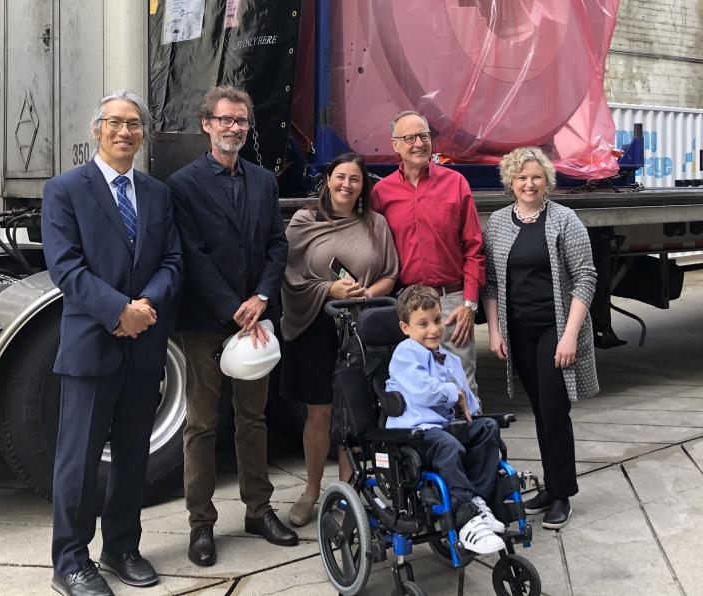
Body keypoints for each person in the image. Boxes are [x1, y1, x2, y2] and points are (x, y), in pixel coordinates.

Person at [42, 90, 183, 596]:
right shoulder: (65, 189)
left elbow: (172, 261)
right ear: (96, 129)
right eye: (115, 123)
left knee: (132, 454)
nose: (125, 132)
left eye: (134, 125)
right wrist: (117, 311)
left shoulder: (157, 193)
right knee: (78, 460)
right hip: (92, 342)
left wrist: (143, 309)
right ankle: (71, 561)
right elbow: (65, 266)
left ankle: (122, 546)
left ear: (143, 135)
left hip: (143, 344)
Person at [168, 85, 296, 567]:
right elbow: (191, 255)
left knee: (254, 419)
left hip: (255, 320)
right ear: (206, 124)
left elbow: (276, 245)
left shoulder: (264, 181)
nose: (234, 127)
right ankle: (201, 524)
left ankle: (258, 511)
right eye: (225, 120)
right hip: (207, 323)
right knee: (200, 424)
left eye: (241, 120)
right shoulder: (183, 184)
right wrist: (232, 308)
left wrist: (261, 299)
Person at [481, 147, 599, 530]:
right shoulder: (498, 222)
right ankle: (550, 485)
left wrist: (569, 336)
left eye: (535, 177)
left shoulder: (564, 219)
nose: (528, 184)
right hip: (519, 330)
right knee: (539, 410)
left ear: (546, 180)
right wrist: (496, 330)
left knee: (553, 410)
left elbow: (585, 278)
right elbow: (493, 282)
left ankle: (562, 493)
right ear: (510, 183)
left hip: (555, 327)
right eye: (521, 177)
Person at [280, 153, 399, 526]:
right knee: (320, 411)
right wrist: (331, 288)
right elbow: (292, 272)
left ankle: (348, 493)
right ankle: (312, 491)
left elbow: (390, 275)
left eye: (356, 180)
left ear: (364, 187)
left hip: (359, 326)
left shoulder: (375, 224)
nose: (347, 185)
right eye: (340, 177)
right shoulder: (304, 221)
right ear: (328, 179)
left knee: (354, 414)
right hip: (315, 322)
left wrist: (362, 295)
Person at [385, 285, 506, 554]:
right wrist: (455, 394)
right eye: (423, 324)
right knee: (448, 445)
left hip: (444, 429)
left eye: (438, 320)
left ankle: (478, 500)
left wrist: (469, 409)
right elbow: (425, 392)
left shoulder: (449, 359)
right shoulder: (405, 354)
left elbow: (468, 401)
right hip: (414, 432)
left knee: (487, 428)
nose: (434, 329)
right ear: (406, 328)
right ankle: (466, 518)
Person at [370, 111, 485, 393]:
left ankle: (471, 436)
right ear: (395, 145)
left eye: (424, 136)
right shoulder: (382, 193)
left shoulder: (456, 183)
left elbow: (474, 247)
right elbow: (374, 250)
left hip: (451, 302)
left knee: (462, 384)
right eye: (409, 138)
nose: (418, 143)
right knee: (416, 388)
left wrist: (469, 303)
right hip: (408, 303)